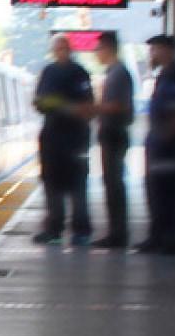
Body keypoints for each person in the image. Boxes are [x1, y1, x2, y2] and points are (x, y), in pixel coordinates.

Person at [31, 35, 94, 245]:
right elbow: (39, 102)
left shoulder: (80, 73)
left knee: (78, 185)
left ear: (70, 49)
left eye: (63, 47)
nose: (60, 51)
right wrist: (64, 105)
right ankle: (53, 228)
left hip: (76, 138)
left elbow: (86, 106)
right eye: (57, 48)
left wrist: (57, 104)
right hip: (51, 137)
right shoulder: (48, 72)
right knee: (52, 185)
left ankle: (81, 230)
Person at [137, 33, 175, 254]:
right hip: (160, 143)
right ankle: (158, 236)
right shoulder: (164, 76)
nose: (152, 54)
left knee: (170, 193)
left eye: (155, 49)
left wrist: (165, 140)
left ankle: (172, 240)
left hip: (170, 146)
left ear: (168, 50)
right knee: (156, 192)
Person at [89, 36, 134, 250]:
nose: (96, 53)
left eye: (97, 49)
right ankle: (115, 232)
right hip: (112, 135)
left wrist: (94, 108)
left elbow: (118, 106)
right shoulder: (113, 73)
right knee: (112, 185)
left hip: (114, 135)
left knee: (114, 186)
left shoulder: (118, 73)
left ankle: (117, 235)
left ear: (107, 48)